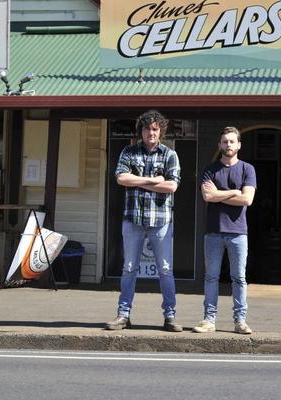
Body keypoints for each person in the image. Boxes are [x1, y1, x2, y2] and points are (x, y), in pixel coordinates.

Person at [105, 110, 182, 332]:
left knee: (165, 269)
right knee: (129, 267)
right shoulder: (129, 151)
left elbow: (171, 186)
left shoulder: (170, 155)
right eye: (147, 128)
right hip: (133, 219)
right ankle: (123, 315)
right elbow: (121, 178)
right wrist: (153, 180)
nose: (151, 132)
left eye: (155, 129)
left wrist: (137, 181)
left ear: (161, 131)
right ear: (141, 130)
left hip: (160, 221)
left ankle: (169, 317)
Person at [194, 126, 256, 335]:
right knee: (211, 277)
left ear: (238, 145)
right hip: (213, 232)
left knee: (239, 278)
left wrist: (219, 194)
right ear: (219, 145)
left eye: (232, 141)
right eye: (224, 141)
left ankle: (240, 321)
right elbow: (207, 197)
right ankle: (209, 320)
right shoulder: (210, 169)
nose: (228, 145)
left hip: (238, 233)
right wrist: (232, 192)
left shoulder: (247, 169)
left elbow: (247, 199)